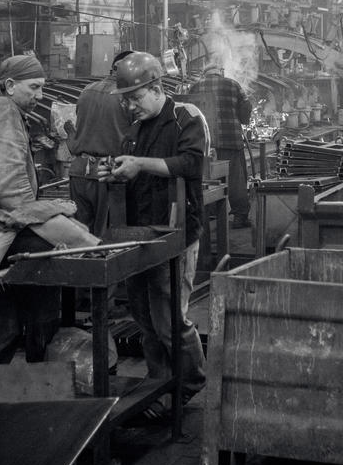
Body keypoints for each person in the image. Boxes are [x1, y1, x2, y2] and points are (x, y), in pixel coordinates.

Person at [0, 54, 96, 413]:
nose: (40, 95)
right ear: (10, 86)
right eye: (34, 87)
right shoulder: (6, 113)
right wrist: (58, 214)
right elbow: (14, 195)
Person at [100, 51, 207, 421]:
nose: (130, 106)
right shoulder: (136, 131)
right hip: (141, 235)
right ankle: (159, 384)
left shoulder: (186, 118)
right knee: (145, 319)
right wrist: (115, 172)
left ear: (157, 88)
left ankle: (190, 383)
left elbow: (191, 164)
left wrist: (139, 165)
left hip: (176, 234)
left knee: (169, 320)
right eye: (126, 100)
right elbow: (134, 174)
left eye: (135, 98)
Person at [68, 48, 135, 236]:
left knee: (80, 237)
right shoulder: (128, 96)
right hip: (109, 173)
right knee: (107, 237)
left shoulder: (86, 91)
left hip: (79, 172)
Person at [187, 59, 253, 227]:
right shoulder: (233, 84)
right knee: (236, 179)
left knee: (207, 179)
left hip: (205, 144)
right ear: (220, 72)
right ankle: (239, 217)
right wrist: (242, 118)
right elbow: (246, 108)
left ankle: (209, 213)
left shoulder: (194, 87)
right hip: (231, 140)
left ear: (205, 73)